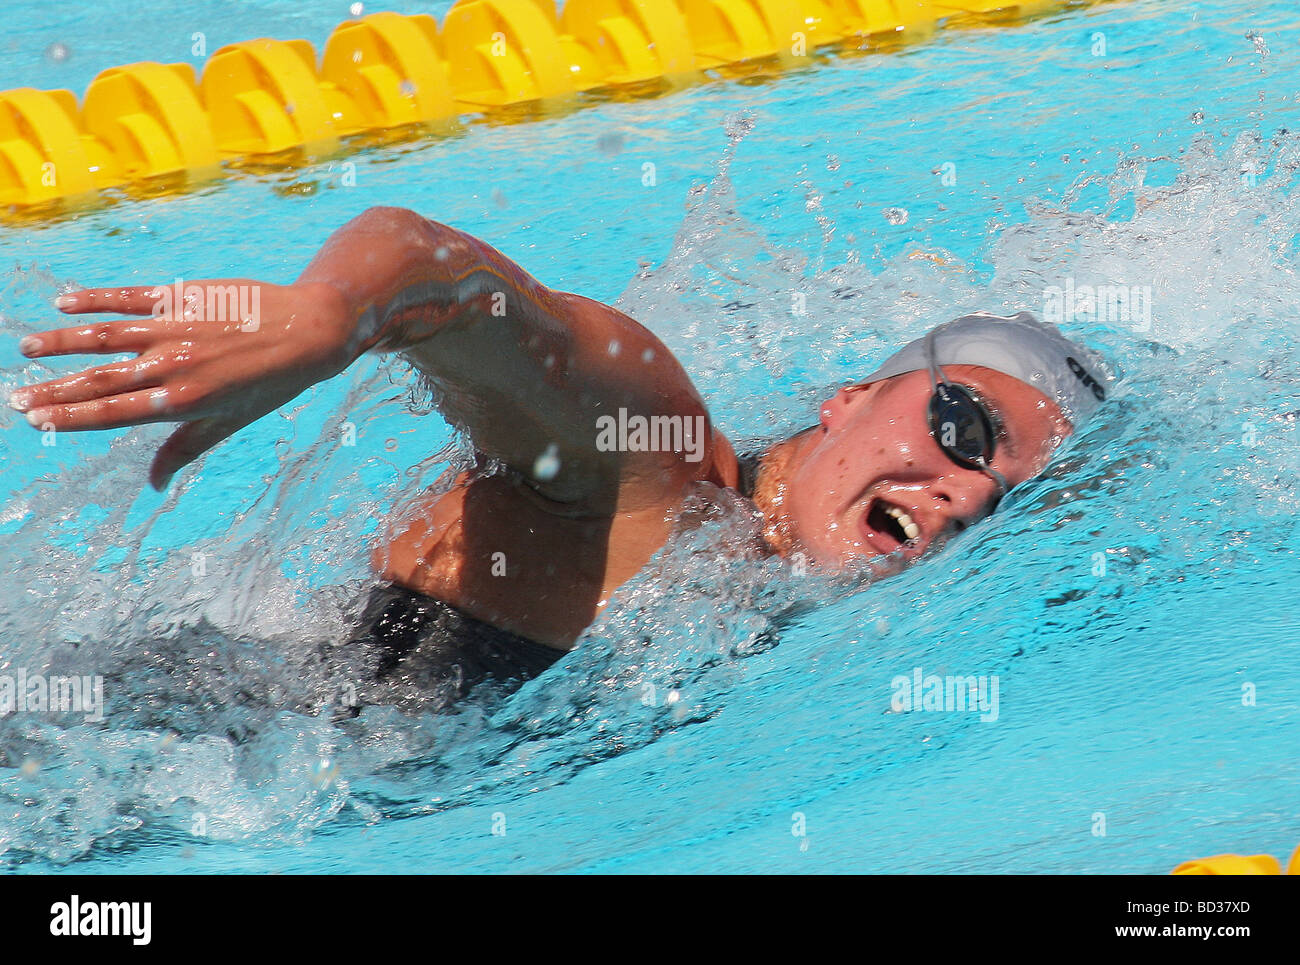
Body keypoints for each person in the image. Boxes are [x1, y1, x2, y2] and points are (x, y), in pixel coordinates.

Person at [6, 206, 1111, 704]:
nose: (963, 490)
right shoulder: (661, 467)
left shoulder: (752, 589)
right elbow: (449, 277)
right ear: (853, 395)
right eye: (962, 426)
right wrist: (326, 318)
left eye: (999, 499)